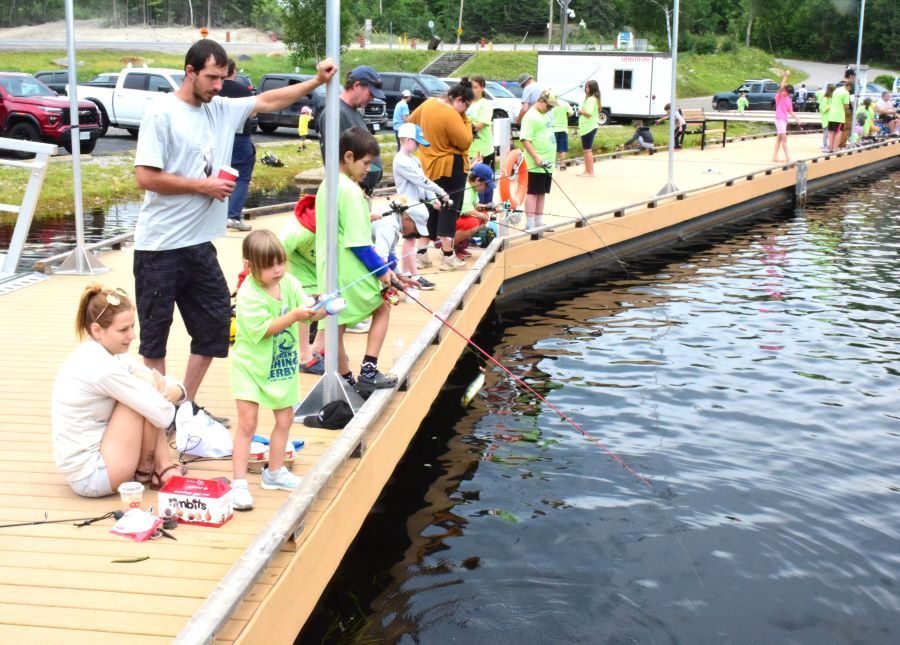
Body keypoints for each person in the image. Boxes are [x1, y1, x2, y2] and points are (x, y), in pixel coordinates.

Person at [133, 39, 335, 423]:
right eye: (211, 78)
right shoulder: (162, 113)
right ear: (189, 71)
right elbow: (145, 177)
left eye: (222, 79)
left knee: (214, 328)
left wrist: (315, 81)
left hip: (199, 246)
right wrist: (203, 186)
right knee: (154, 338)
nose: (217, 86)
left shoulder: (221, 108)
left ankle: (182, 407)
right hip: (158, 246)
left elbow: (270, 100)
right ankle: (158, 416)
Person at [52, 285, 187, 498]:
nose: (132, 335)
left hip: (96, 461)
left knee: (143, 389)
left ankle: (159, 467)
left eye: (132, 326)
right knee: (142, 397)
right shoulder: (101, 367)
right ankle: (153, 468)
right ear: (97, 330)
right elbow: (163, 414)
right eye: (123, 330)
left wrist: (176, 388)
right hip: (92, 476)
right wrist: (167, 393)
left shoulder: (107, 353)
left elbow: (152, 378)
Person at [229, 231, 326, 510]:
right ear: (250, 266)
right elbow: (266, 329)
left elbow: (306, 308)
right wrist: (295, 315)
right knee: (247, 424)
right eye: (269, 266)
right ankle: (239, 484)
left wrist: (322, 307)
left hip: (280, 365)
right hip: (249, 366)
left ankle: (274, 472)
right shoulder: (248, 294)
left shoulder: (289, 282)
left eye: (281, 262)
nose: (277, 270)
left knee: (285, 419)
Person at [316, 127, 410, 398]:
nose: (368, 169)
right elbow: (360, 244)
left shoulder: (327, 185)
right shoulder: (351, 191)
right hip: (350, 270)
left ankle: (347, 381)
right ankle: (368, 372)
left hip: (329, 269)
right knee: (383, 307)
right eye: (366, 163)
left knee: (336, 325)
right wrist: (384, 273)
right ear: (348, 157)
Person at [407, 79, 474, 271]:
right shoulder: (451, 114)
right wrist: (465, 120)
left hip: (429, 165)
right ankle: (448, 257)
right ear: (459, 100)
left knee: (432, 210)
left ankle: (421, 255)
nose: (465, 111)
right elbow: (465, 142)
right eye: (467, 106)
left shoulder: (428, 103)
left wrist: (426, 143)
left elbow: (410, 121)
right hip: (451, 166)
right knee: (449, 210)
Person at [392, 121, 448, 285]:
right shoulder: (400, 161)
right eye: (417, 142)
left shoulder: (414, 160)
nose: (418, 146)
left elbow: (423, 182)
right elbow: (420, 180)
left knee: (411, 241)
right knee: (410, 241)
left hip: (416, 205)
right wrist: (440, 192)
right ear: (408, 140)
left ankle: (410, 276)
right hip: (406, 206)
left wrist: (433, 199)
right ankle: (411, 276)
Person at [318, 65, 385, 195]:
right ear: (356, 85)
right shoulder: (336, 113)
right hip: (350, 192)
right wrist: (355, 191)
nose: (372, 98)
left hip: (360, 191)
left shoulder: (355, 112)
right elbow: (339, 161)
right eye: (370, 93)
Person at [280, 195, 326, 375]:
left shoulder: (338, 226)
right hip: (298, 266)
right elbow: (270, 254)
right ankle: (305, 357)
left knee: (331, 303)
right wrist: (245, 277)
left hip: (320, 267)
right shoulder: (298, 231)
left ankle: (319, 347)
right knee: (307, 305)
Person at [219, 59, 255, 232]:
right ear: (233, 72)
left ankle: (217, 216)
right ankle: (233, 216)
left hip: (217, 137)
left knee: (219, 175)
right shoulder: (242, 90)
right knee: (241, 177)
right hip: (240, 138)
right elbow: (253, 112)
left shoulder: (214, 89)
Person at [519, 89, 558, 231]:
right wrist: (536, 157)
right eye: (549, 106)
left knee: (542, 192)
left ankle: (539, 221)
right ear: (541, 101)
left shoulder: (544, 115)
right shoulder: (530, 116)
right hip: (535, 164)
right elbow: (525, 139)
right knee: (533, 193)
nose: (550, 109)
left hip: (547, 163)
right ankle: (530, 223)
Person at [772, 73, 802, 163]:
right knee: (784, 138)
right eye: (785, 91)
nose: (785, 92)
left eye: (787, 92)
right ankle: (788, 157)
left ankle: (774, 157)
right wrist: (785, 77)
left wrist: (797, 118)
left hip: (784, 120)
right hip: (779, 119)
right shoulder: (779, 96)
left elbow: (791, 111)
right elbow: (781, 87)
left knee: (779, 139)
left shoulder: (788, 100)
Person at [467, 75, 495, 169]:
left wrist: (460, 130)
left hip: (483, 151)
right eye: (471, 87)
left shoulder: (485, 104)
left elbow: (480, 125)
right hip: (467, 150)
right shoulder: (465, 103)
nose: (472, 90)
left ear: (482, 88)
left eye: (475, 87)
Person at [577, 80, 601, 177]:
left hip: (589, 127)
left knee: (587, 150)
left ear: (592, 88)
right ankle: (587, 170)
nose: (586, 89)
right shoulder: (592, 98)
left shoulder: (591, 99)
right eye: (586, 87)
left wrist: (580, 111)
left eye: (588, 87)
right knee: (586, 150)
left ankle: (590, 172)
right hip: (587, 127)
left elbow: (589, 113)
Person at [827, 81, 851, 152]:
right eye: (850, 88)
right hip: (839, 115)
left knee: (831, 132)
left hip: (831, 115)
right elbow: (846, 106)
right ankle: (835, 148)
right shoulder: (846, 92)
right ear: (849, 86)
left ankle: (830, 148)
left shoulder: (836, 90)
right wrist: (848, 112)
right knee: (838, 132)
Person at [551, 98, 574, 170]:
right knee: (562, 148)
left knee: (552, 147)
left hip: (553, 128)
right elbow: (571, 113)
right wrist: (565, 115)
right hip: (563, 128)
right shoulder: (565, 103)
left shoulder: (551, 103)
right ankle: (562, 164)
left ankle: (552, 165)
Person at [838, 69, 856, 149]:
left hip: (838, 109)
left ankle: (836, 143)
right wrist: (855, 109)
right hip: (848, 109)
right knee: (846, 128)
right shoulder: (850, 85)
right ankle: (841, 144)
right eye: (854, 76)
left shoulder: (839, 84)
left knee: (838, 128)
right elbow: (852, 99)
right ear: (851, 76)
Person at [816, 84, 833, 152]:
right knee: (826, 134)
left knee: (830, 133)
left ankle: (829, 145)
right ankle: (825, 146)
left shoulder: (832, 98)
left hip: (832, 118)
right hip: (826, 118)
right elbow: (822, 109)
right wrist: (830, 106)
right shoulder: (825, 98)